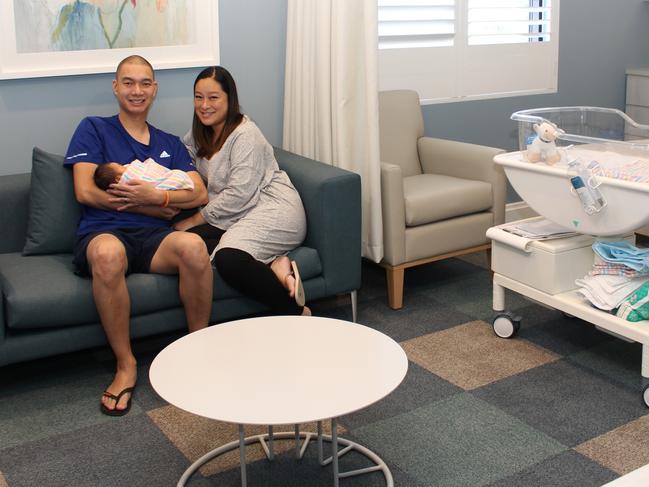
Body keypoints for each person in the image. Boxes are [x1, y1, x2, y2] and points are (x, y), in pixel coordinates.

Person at [64, 55, 213, 416]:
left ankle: (197, 348)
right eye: (128, 82)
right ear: (116, 87)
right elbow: (86, 191)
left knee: (193, 246)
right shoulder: (93, 128)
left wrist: (159, 196)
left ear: (154, 90)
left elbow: (199, 194)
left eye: (145, 83)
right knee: (107, 256)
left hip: (154, 239)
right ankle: (126, 365)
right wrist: (149, 206)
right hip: (104, 231)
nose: (137, 90)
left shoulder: (170, 144)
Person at [174, 66, 310, 316]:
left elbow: (238, 195)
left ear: (230, 99)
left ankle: (297, 312)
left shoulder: (245, 135)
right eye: (198, 97)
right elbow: (181, 156)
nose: (204, 105)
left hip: (273, 209)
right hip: (239, 212)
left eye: (213, 98)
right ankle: (277, 265)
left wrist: (192, 220)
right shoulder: (200, 132)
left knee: (228, 259)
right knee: (187, 244)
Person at [93, 159, 195, 191]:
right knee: (177, 177)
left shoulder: (171, 142)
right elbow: (145, 177)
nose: (124, 165)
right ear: (119, 178)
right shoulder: (129, 179)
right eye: (120, 165)